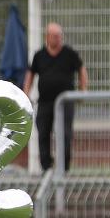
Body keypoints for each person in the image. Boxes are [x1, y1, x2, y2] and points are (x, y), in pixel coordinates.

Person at [23, 22, 89, 172]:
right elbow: (30, 74)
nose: (58, 39)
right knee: (43, 133)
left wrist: (83, 90)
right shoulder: (39, 55)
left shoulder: (69, 53)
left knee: (65, 134)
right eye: (55, 36)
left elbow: (81, 69)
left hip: (65, 102)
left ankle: (63, 169)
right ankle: (47, 168)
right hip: (45, 102)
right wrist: (25, 94)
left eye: (60, 36)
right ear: (47, 37)